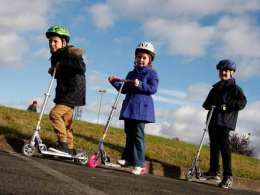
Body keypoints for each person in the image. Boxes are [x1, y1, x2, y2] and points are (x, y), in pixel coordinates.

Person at [108, 42, 159, 175]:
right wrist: (114, 82)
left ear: (149, 60)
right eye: (139, 57)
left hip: (141, 110)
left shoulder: (152, 73)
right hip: (130, 108)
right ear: (135, 58)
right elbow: (124, 89)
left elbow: (153, 89)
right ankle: (128, 159)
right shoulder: (131, 73)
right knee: (129, 134)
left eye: (144, 57)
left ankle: (140, 164)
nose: (141, 60)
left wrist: (140, 84)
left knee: (138, 136)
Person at [202, 59, 247, 189]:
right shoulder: (215, 88)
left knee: (224, 147)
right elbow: (207, 103)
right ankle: (213, 171)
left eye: (226, 71)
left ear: (232, 73)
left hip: (225, 121)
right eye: (221, 70)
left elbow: (242, 103)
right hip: (213, 120)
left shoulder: (235, 88)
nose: (223, 73)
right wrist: (207, 105)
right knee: (214, 145)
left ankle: (228, 176)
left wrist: (225, 106)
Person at [46, 25, 86, 155]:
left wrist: (60, 64)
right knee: (66, 121)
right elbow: (62, 74)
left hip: (73, 91)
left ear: (64, 42)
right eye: (50, 41)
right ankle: (69, 149)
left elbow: (81, 67)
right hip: (64, 91)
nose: (52, 44)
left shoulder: (71, 52)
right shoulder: (55, 56)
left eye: (55, 41)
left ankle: (62, 144)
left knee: (55, 114)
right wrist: (53, 70)